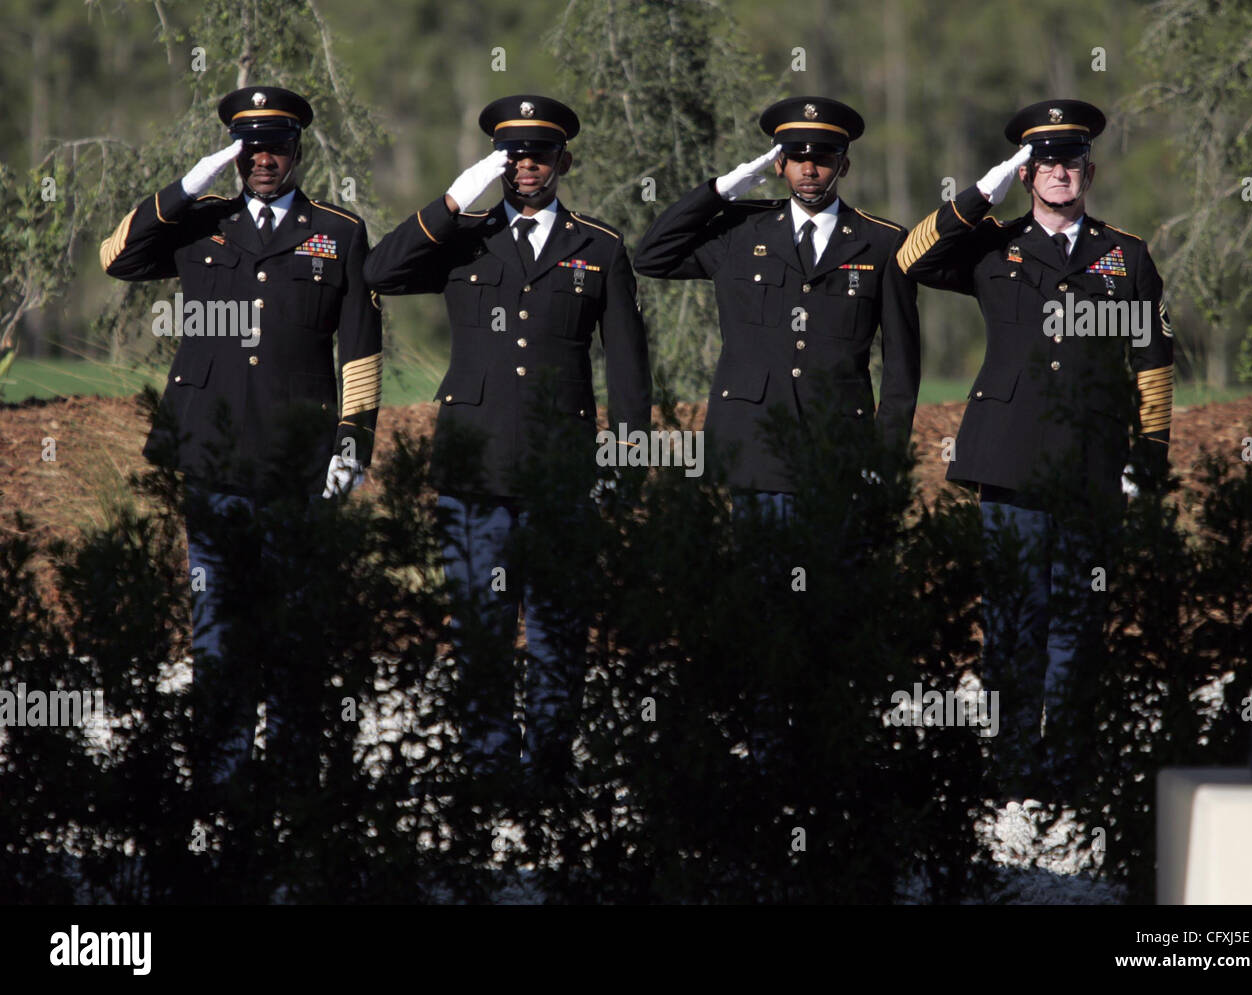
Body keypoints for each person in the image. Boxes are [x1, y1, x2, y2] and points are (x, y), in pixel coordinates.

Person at [363, 94, 651, 776]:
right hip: (474, 465)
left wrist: (629, 460)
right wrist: (452, 200)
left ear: (563, 161)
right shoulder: (464, 235)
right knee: (481, 629)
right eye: (513, 155)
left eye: (541, 154)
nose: (527, 166)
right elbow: (379, 272)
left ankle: (547, 765)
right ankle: (487, 765)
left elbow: (631, 371)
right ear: (498, 162)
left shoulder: (600, 246)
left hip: (563, 470)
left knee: (557, 630)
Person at [100, 85, 383, 779]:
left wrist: (353, 441)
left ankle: (292, 787)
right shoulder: (200, 222)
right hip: (212, 453)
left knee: (292, 629)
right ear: (233, 154)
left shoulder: (337, 231)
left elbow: (362, 343)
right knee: (219, 626)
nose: (265, 159)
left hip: (298, 456)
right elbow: (117, 258)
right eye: (250, 147)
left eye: (277, 145)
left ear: (296, 150)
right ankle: (220, 782)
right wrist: (186, 185)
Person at [895, 99, 1174, 792]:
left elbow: (1153, 363)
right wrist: (981, 190)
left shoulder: (1126, 256)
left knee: (1081, 613)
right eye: (1043, 161)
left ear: (1089, 168)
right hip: (1009, 453)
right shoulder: (993, 245)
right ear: (1026, 173)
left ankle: (1071, 759)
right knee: (1015, 613)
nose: (1058, 172)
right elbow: (910, 258)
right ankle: (1012, 760)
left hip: (1092, 457)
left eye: (1069, 160)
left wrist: (1148, 462)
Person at [634, 96, 920, 517]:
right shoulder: (740, 231)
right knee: (758, 576)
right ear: (778, 165)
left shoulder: (882, 242)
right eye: (796, 158)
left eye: (823, 158)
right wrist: (722, 190)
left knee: (831, 577)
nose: (809, 169)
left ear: (844, 165)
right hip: (753, 445)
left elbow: (902, 361)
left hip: (840, 446)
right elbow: (651, 257)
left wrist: (886, 453)